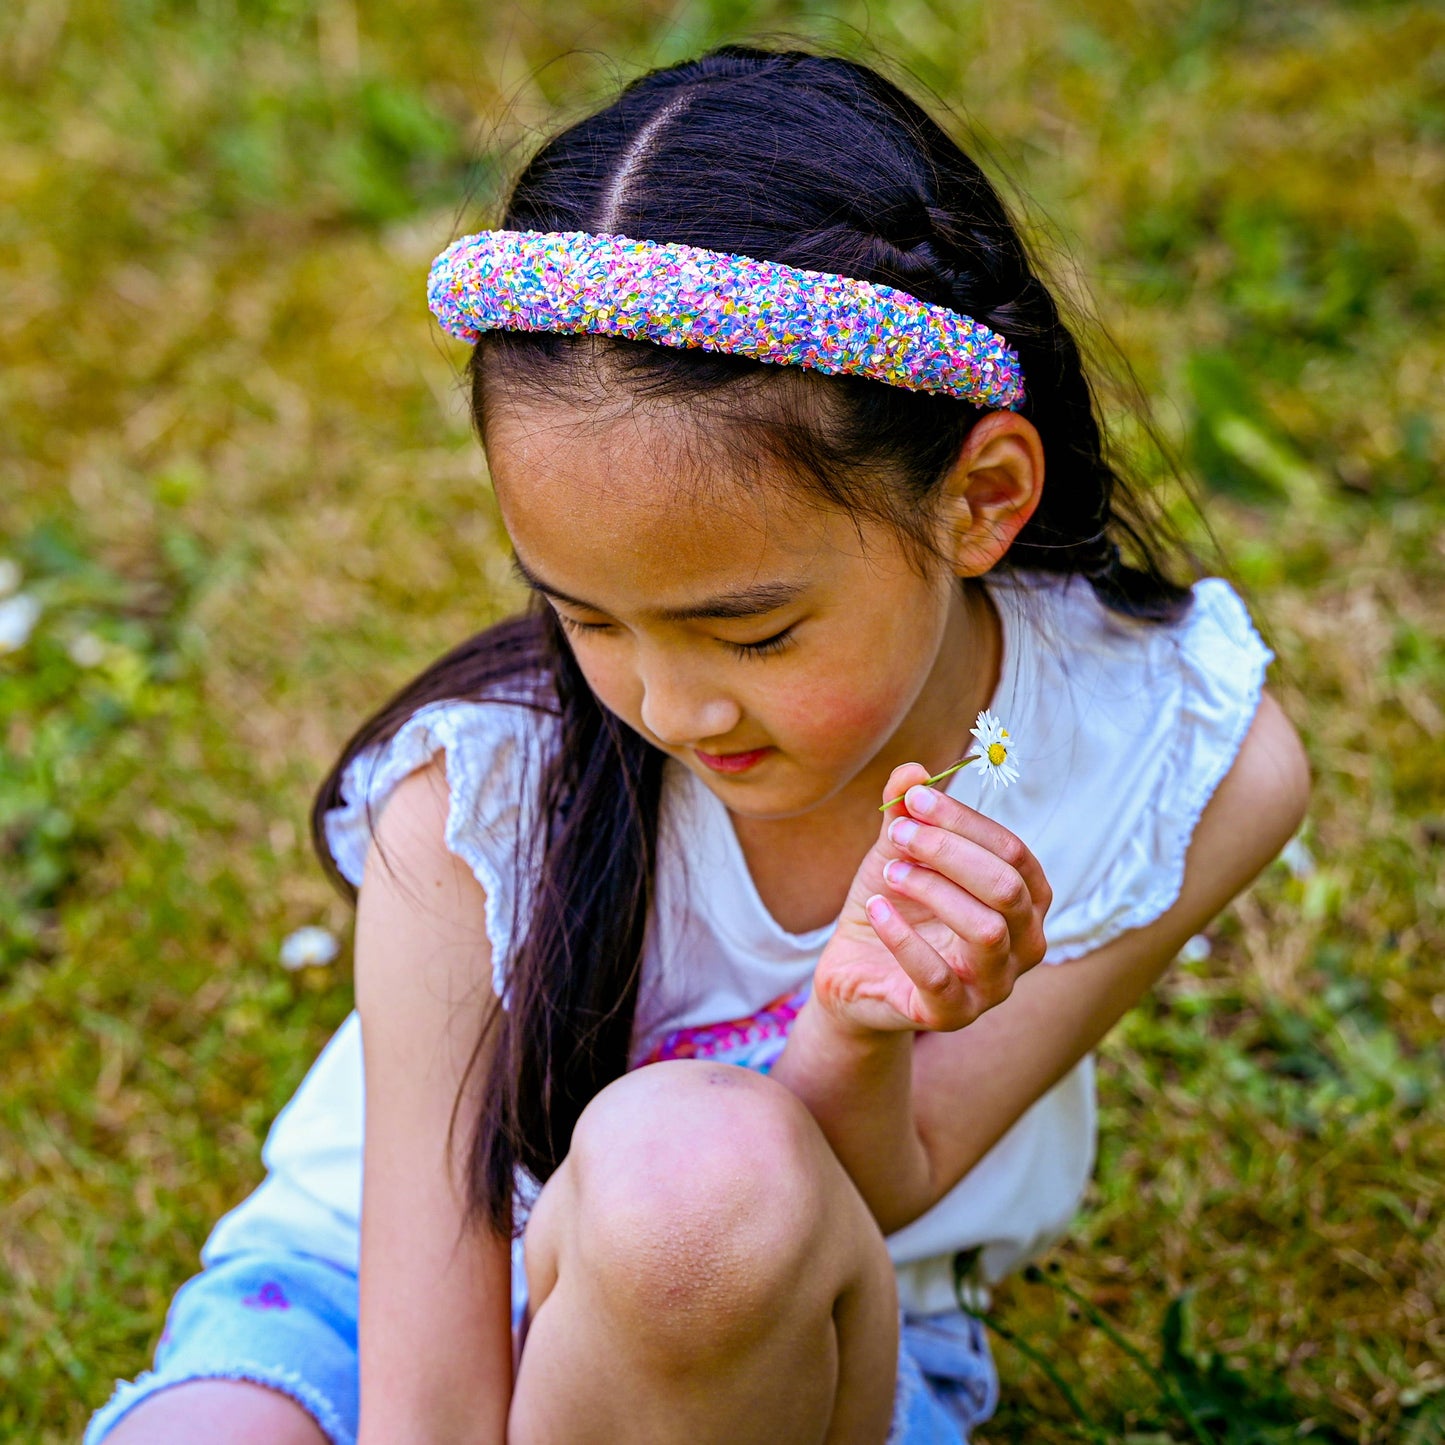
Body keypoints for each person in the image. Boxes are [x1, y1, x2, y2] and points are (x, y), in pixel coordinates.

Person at [84, 44, 1310, 1445]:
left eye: (753, 633)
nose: (670, 711)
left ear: (981, 497)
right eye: (588, 619)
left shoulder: (1160, 760)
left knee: (690, 1190)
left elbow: (892, 1179)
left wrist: (855, 1030)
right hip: (372, 1300)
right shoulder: (472, 802)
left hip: (784, 1325)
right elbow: (430, 1409)